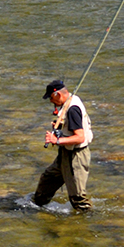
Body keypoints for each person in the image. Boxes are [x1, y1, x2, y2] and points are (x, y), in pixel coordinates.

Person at [33, 79, 93, 212]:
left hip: (76, 156)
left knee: (78, 198)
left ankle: (86, 222)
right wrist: (60, 129)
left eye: (51, 98)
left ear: (58, 95)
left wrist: (56, 141)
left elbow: (80, 137)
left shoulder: (72, 109)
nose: (50, 101)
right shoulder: (69, 101)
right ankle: (37, 207)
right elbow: (71, 130)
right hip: (65, 154)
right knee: (47, 181)